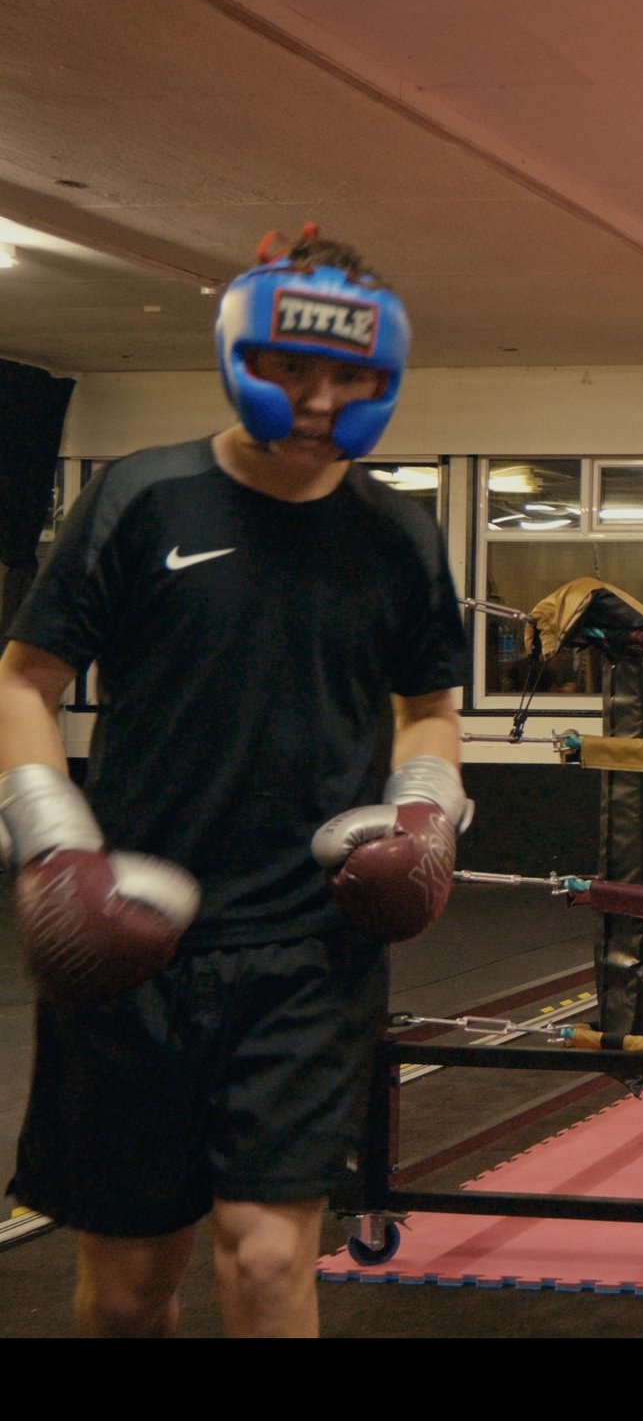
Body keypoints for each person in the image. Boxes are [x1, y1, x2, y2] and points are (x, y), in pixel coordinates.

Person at [0, 227, 468, 1338]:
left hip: (309, 950)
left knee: (266, 1262)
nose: (319, 400)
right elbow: (23, 680)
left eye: (348, 376)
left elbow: (431, 709)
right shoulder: (141, 497)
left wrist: (425, 814)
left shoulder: (398, 534)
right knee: (128, 1293)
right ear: (239, 355)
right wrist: (54, 842)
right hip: (132, 943)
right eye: (290, 367)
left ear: (384, 377)